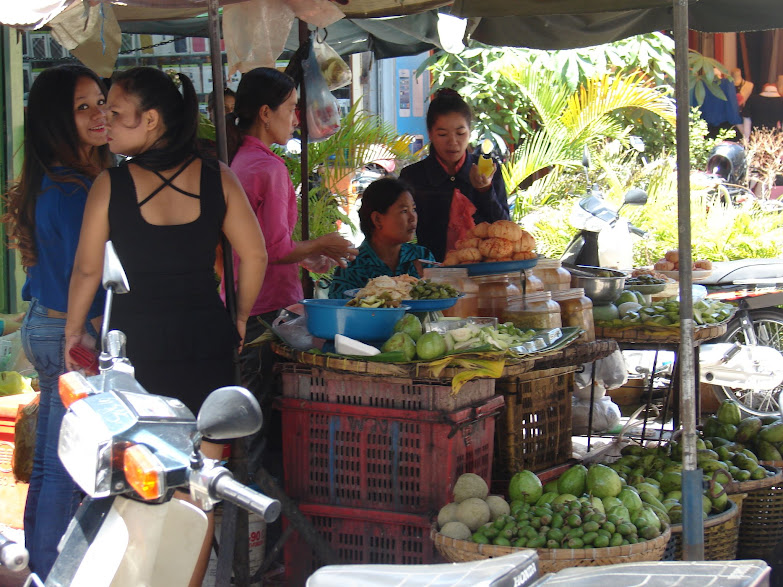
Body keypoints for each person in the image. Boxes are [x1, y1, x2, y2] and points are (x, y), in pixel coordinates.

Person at [64, 66, 267, 587]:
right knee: (202, 493)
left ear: (151, 120)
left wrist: (71, 333)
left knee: (139, 490)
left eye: (114, 111)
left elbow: (88, 269)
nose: (104, 120)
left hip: (138, 355)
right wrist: (239, 315)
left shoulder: (111, 185)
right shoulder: (218, 176)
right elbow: (255, 254)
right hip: (207, 343)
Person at [1, 64, 112, 580]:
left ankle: (41, 567)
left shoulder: (61, 182)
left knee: (51, 462)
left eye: (100, 101)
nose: (98, 114)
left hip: (47, 327)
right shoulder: (72, 191)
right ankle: (51, 569)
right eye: (82, 107)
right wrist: (92, 338)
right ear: (56, 122)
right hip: (70, 333)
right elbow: (80, 276)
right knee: (66, 468)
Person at [399, 88, 510, 262]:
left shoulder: (488, 170)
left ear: (470, 132)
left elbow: (505, 230)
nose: (453, 142)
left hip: (483, 272)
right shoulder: (413, 176)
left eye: (460, 133)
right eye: (442, 134)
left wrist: (485, 190)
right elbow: (400, 232)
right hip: (431, 275)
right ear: (430, 134)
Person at [328, 177, 435, 298]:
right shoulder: (352, 267)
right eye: (404, 211)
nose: (413, 217)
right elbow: (340, 311)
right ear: (377, 219)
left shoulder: (422, 258)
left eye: (413, 209)